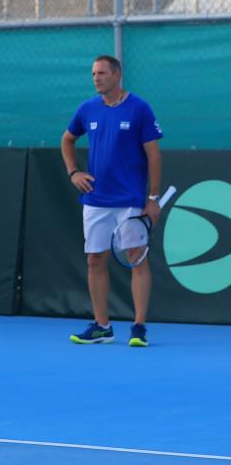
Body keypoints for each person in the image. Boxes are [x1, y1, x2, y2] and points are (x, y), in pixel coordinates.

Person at [61, 55, 163, 348]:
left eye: (102, 73)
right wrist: (73, 172)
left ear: (117, 75)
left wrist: (152, 198)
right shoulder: (87, 108)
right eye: (93, 73)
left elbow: (153, 155)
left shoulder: (139, 108)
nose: (96, 78)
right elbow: (67, 140)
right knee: (95, 260)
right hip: (95, 200)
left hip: (130, 199)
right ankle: (102, 327)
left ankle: (139, 327)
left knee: (137, 259)